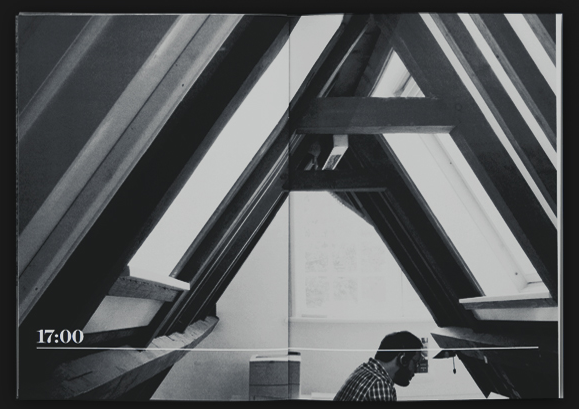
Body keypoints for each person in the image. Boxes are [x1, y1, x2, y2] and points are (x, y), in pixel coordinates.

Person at [333, 331, 424, 401]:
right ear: (403, 359)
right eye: (415, 363)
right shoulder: (380, 384)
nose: (416, 370)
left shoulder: (364, 370)